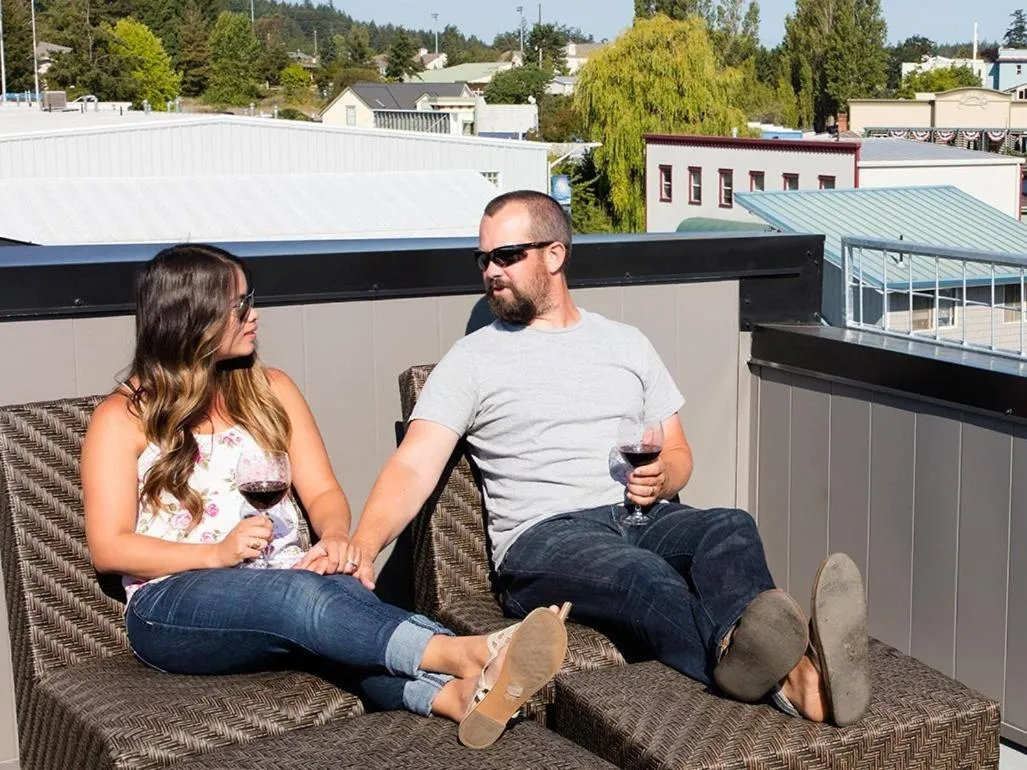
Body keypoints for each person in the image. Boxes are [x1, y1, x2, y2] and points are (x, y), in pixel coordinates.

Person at [346, 191, 871, 727]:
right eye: (483, 259)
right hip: (545, 536)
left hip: (639, 515)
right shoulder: (472, 360)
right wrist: (363, 544)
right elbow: (414, 465)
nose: (491, 272)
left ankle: (751, 655)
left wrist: (666, 476)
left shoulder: (627, 344)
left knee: (730, 527)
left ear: (554, 255)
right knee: (644, 576)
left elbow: (679, 452)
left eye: (506, 256)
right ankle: (797, 675)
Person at [82, 243, 570, 750]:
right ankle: (467, 654)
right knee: (304, 599)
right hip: (173, 601)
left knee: (340, 606)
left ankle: (457, 699)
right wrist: (215, 553)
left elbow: (323, 492)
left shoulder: (270, 390)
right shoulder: (123, 418)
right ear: (192, 318)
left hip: (289, 580)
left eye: (252, 299)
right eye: (240, 306)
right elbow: (109, 546)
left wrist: (336, 537)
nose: (255, 316)